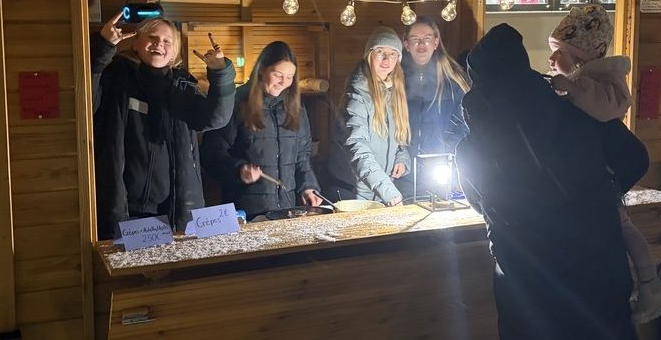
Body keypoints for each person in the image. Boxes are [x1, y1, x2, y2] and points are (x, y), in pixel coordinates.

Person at [456, 23, 644, 339]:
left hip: (526, 284)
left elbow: (478, 202)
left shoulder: (472, 147)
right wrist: (599, 194)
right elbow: (635, 159)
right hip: (598, 272)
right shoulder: (579, 114)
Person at [547, 5, 661, 324]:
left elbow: (601, 109)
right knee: (618, 228)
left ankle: (650, 285)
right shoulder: (586, 83)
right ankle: (644, 286)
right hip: (596, 177)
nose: (551, 59)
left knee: (622, 227)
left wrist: (568, 88)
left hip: (602, 177)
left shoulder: (600, 84)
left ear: (579, 57)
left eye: (558, 53)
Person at [91, 12, 236, 240]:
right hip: (124, 212)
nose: (159, 44)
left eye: (167, 41)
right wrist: (102, 47)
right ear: (136, 43)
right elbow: (86, 104)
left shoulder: (183, 87)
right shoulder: (116, 78)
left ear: (174, 51)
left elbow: (215, 118)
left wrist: (221, 75)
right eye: (152, 37)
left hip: (175, 212)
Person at [200, 41, 322, 218]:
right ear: (262, 69)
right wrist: (238, 169)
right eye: (278, 75)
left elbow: (302, 156)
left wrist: (308, 187)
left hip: (287, 210)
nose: (283, 82)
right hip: (246, 212)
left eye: (290, 77)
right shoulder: (237, 103)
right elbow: (210, 152)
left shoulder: (295, 107)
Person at [327, 27, 411, 206]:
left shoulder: (394, 92)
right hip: (354, 194)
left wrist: (402, 158)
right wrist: (387, 190)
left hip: (379, 191)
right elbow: (357, 146)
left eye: (393, 54)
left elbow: (398, 139)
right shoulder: (357, 95)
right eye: (380, 52)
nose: (387, 59)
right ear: (369, 55)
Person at [400, 17, 470, 198]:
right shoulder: (396, 78)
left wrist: (446, 150)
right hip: (403, 170)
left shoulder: (453, 78)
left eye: (427, 38)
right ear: (406, 44)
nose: (421, 44)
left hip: (440, 169)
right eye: (415, 39)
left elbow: (464, 121)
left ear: (436, 42)